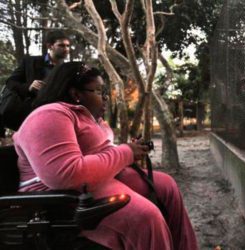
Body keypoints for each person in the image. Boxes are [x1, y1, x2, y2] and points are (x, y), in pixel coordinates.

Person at [12, 62, 198, 250]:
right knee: (145, 217)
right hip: (59, 202)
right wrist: (125, 153)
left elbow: (99, 152)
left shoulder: (88, 117)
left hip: (90, 185)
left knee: (166, 186)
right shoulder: (49, 115)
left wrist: (130, 152)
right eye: (99, 91)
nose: (106, 98)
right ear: (76, 94)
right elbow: (66, 174)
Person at [2, 30, 70, 130]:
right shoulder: (30, 62)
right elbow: (11, 82)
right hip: (28, 117)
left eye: (68, 46)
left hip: (54, 118)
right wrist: (29, 87)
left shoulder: (67, 70)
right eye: (61, 45)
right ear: (50, 46)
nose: (66, 49)